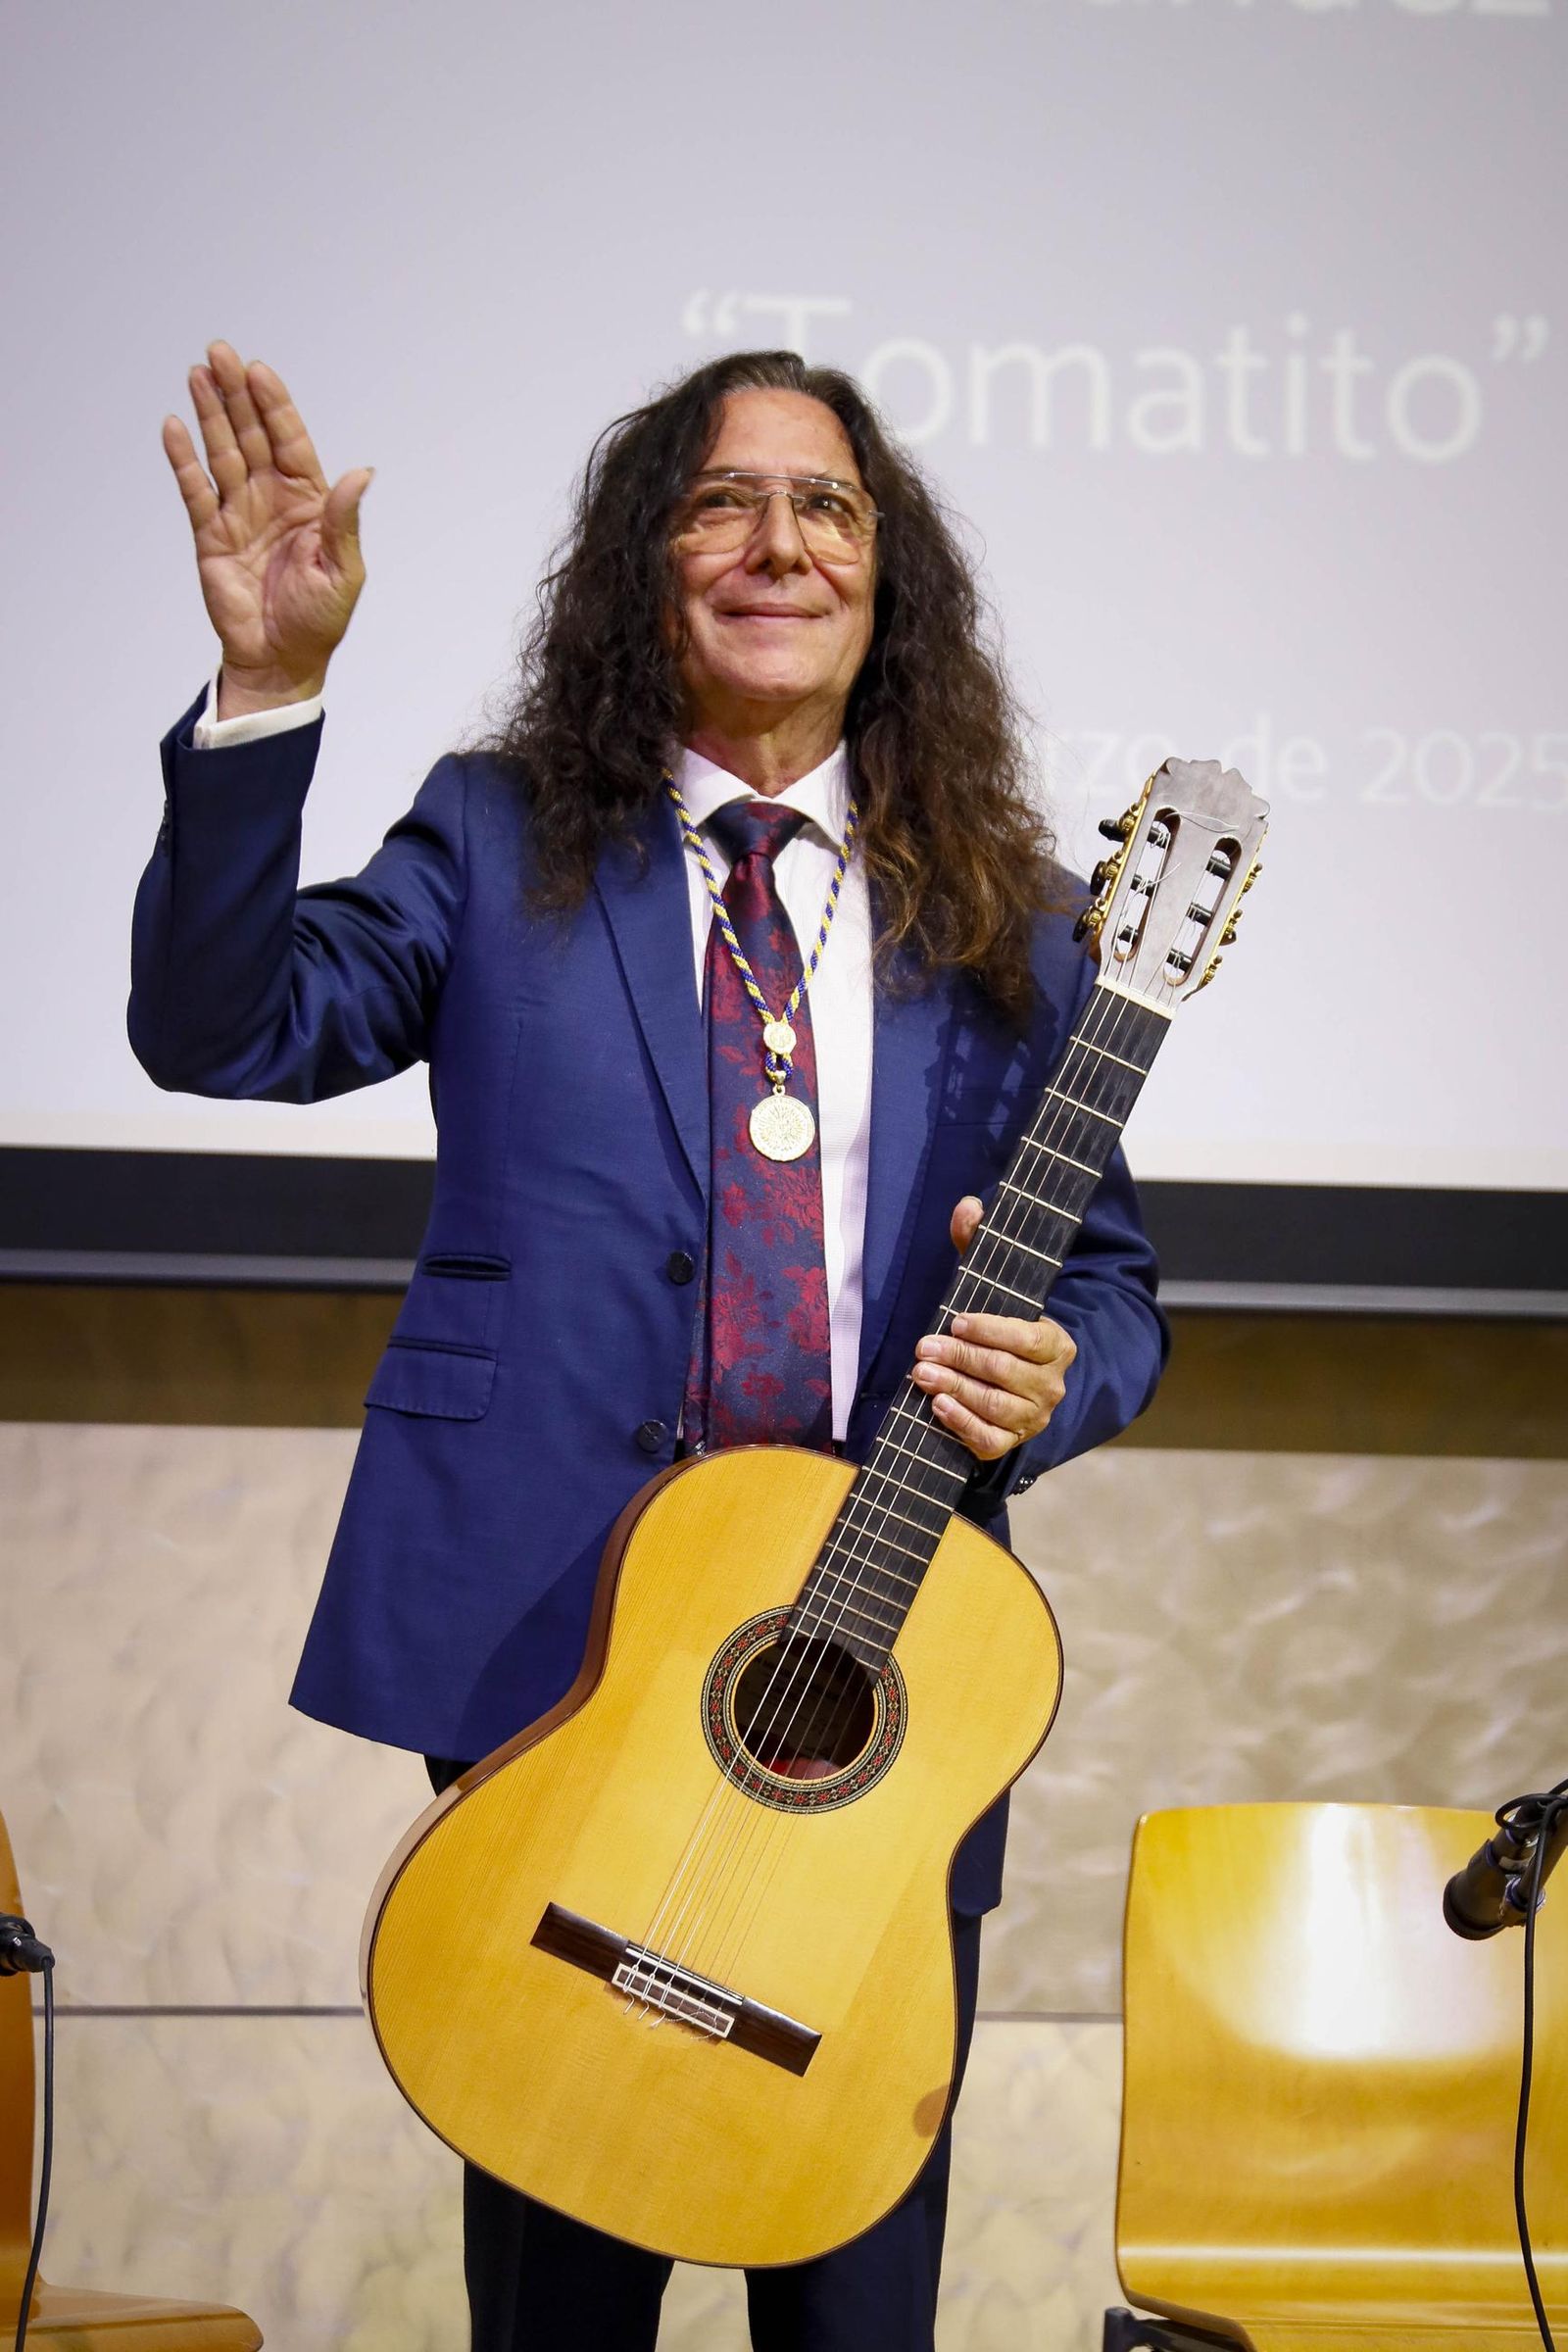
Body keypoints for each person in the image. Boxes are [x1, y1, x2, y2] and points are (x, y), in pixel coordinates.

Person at [133, 339, 1168, 2352]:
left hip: (870, 1689)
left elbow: (1109, 1285)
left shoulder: (1016, 919)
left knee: (857, 2299)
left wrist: (1062, 1379)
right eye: (718, 501)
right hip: (558, 1650)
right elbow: (220, 1030)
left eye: (825, 507)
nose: (775, 542)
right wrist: (269, 694)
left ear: (887, 577)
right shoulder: (494, 841)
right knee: (558, 2302)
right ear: (643, 566)